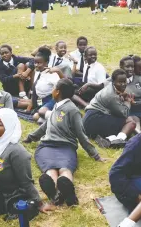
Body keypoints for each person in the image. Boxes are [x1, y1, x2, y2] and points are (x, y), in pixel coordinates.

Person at [25, 78, 103, 206]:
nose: (52, 90)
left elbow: (81, 134)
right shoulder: (57, 105)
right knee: (50, 169)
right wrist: (31, 137)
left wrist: (95, 154)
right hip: (46, 147)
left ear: (57, 92)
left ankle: (68, 192)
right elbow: (47, 126)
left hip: (65, 147)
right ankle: (56, 194)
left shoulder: (72, 110)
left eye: (53, 88)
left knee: (64, 169)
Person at [83, 69, 137, 145]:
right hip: (93, 121)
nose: (123, 84)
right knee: (131, 122)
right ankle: (118, 140)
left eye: (124, 81)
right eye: (120, 82)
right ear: (113, 81)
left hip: (88, 119)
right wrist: (128, 101)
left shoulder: (109, 83)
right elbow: (125, 113)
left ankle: (109, 138)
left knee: (126, 125)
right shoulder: (111, 96)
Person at [16, 47, 62, 123]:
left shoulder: (52, 74)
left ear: (46, 62)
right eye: (35, 62)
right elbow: (35, 92)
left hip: (51, 100)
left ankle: (60, 120)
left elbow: (61, 88)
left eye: (39, 63)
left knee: (37, 116)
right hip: (40, 100)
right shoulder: (37, 72)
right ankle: (51, 120)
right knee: (35, 115)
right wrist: (28, 109)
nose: (36, 65)